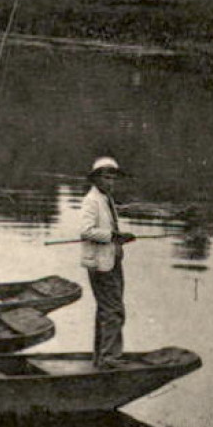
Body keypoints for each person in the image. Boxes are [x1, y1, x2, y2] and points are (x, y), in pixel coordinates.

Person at [80, 155, 136, 368]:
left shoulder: (106, 199)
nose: (110, 182)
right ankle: (110, 358)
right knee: (113, 310)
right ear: (95, 179)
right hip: (101, 264)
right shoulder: (91, 200)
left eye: (113, 177)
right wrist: (113, 236)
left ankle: (101, 356)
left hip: (111, 261)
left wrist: (119, 238)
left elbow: (106, 231)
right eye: (106, 177)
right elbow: (86, 231)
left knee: (107, 309)